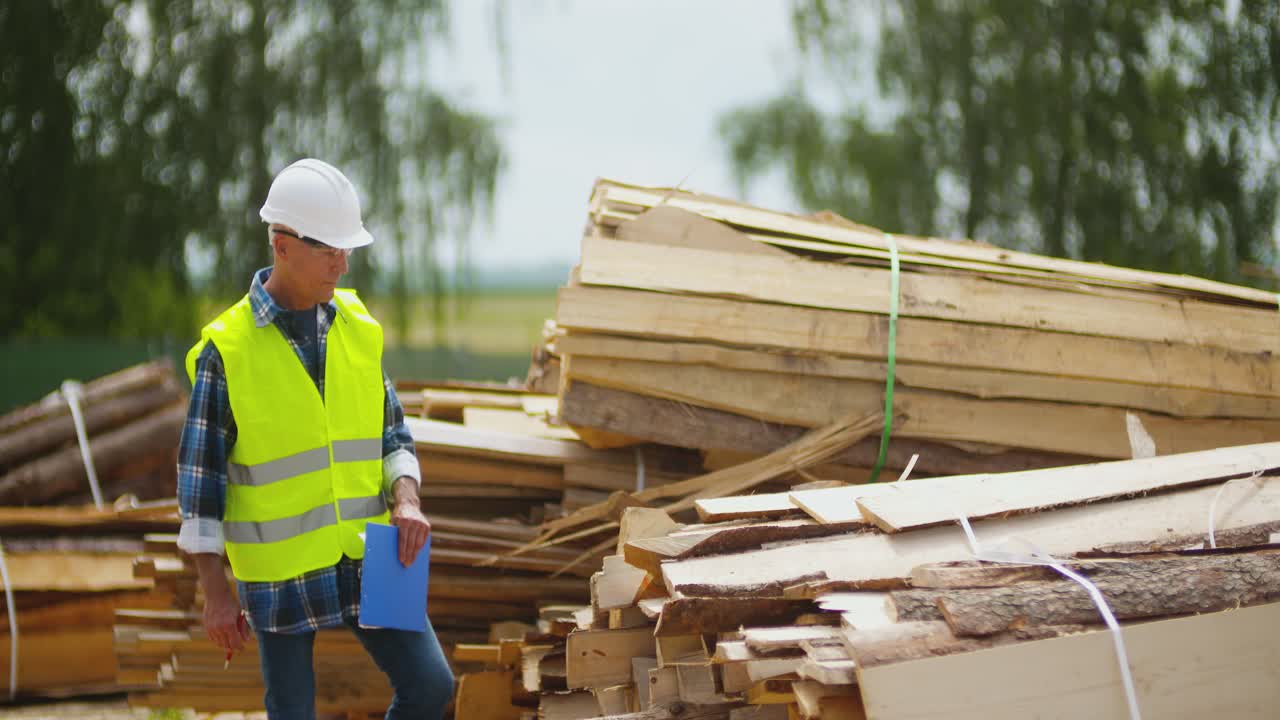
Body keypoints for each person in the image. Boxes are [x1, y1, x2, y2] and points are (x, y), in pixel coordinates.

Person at [176, 158, 454, 719]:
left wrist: (407, 500)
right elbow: (200, 485)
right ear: (282, 244)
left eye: (346, 248)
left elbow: (392, 431)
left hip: (373, 552)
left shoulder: (358, 326)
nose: (343, 262)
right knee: (292, 712)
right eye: (329, 248)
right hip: (280, 570)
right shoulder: (226, 352)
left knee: (432, 687)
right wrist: (215, 592)